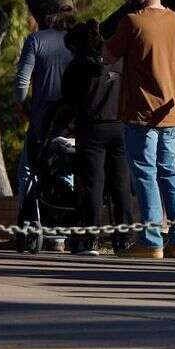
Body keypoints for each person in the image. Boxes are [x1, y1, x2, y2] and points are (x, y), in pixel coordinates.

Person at [105, 0, 175, 258]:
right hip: (172, 112)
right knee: (169, 172)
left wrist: (126, 70)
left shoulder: (132, 22)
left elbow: (107, 57)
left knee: (145, 173)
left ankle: (151, 239)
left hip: (140, 111)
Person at [58, 18, 133, 255]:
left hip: (91, 127)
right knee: (121, 184)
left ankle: (91, 238)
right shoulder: (119, 61)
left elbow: (68, 101)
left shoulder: (76, 67)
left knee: (93, 185)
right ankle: (125, 238)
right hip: (121, 126)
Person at [13, 0, 74, 252]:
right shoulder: (80, 42)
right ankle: (59, 236)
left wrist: (22, 103)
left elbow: (21, 82)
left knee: (28, 173)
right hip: (71, 122)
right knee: (66, 173)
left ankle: (28, 228)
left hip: (41, 121)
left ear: (48, 14)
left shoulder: (36, 40)